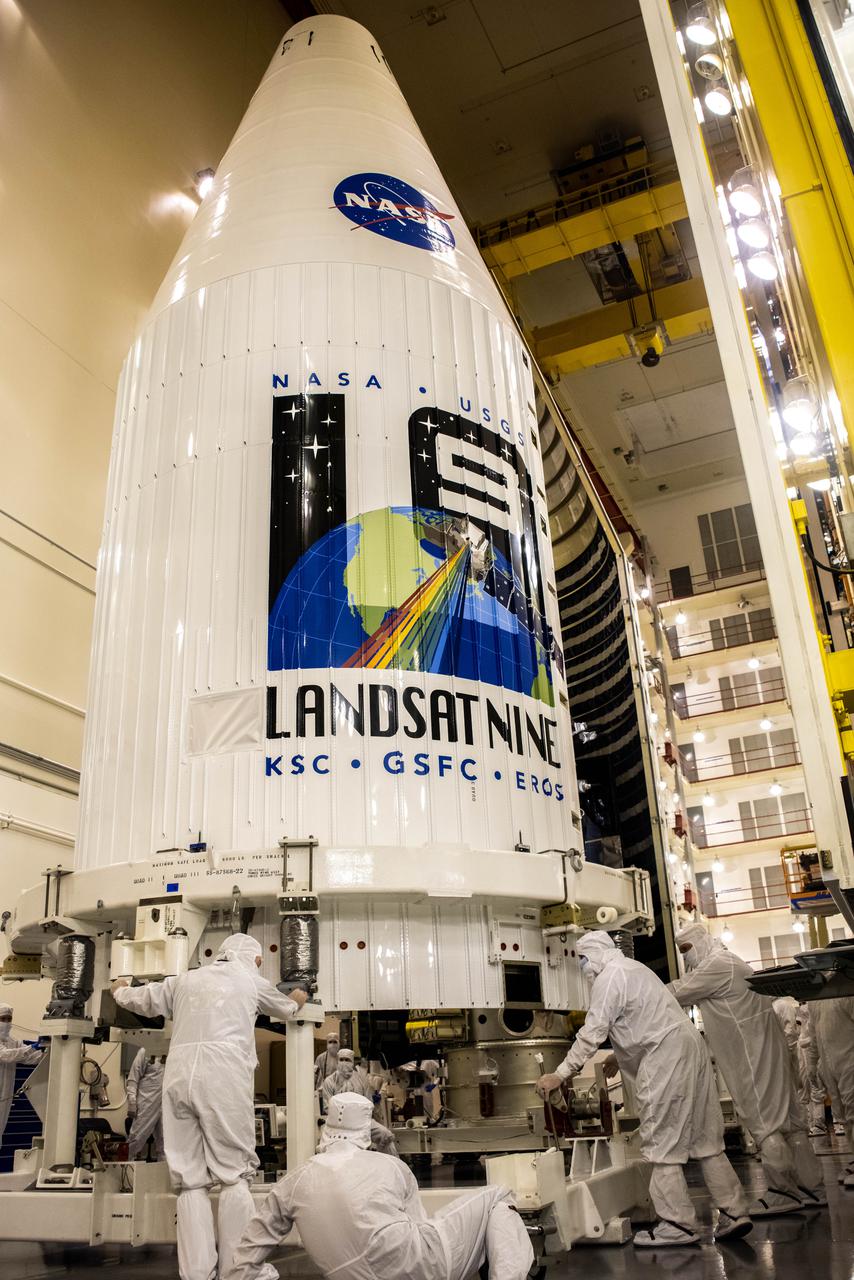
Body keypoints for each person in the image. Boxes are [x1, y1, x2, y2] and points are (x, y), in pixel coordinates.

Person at [535, 931, 752, 1248]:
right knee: (706, 1139)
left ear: (594, 953)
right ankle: (735, 1211)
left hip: (665, 1057)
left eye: (582, 959)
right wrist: (618, 1056)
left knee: (661, 1143)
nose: (582, 966)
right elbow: (645, 1019)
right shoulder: (635, 969)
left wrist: (560, 1074)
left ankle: (679, 1224)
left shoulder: (610, 976)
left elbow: (593, 1030)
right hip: (690, 1048)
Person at [112, 933, 307, 1280]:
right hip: (222, 1079)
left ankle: (197, 1272)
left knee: (189, 1181)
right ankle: (241, 1270)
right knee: (233, 1177)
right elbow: (288, 1009)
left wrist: (121, 987)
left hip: (178, 1078)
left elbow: (140, 999)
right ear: (255, 959)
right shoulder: (251, 980)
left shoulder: (184, 980)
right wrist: (300, 994)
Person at [231, 1092, 534, 1280]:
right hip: (426, 1267)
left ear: (327, 1128)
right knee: (498, 1196)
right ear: (367, 1128)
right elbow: (420, 1227)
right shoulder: (390, 1166)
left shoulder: (294, 1182)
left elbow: (251, 1243)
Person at [670, 923, 825, 1215]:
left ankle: (783, 1192)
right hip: (766, 1049)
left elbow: (677, 992)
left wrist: (640, 991)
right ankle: (811, 1187)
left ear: (701, 941)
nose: (686, 957)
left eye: (687, 949)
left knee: (765, 1124)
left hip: (751, 1055)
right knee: (791, 1124)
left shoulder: (718, 965)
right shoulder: (730, 960)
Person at [320, 1049, 398, 1154]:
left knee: (385, 1135)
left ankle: (389, 1166)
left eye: (347, 1060)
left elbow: (368, 1103)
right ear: (337, 1061)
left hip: (361, 1121)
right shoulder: (329, 1082)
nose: (344, 1062)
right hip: (339, 1125)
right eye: (341, 1060)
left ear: (352, 1062)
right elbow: (328, 1107)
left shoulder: (362, 1079)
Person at [812, 997, 854, 1188]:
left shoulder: (846, 989)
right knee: (842, 1114)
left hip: (850, 1059)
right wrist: (813, 1063)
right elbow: (813, 1034)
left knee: (853, 1109)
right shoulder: (816, 998)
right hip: (829, 1063)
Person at [0, 1003, 43, 1151]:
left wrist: (50, 1051)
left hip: (5, 1094)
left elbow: (29, 1057)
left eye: (9, 1019)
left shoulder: (13, 1042)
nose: (6, 1023)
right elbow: (5, 1055)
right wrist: (32, 1047)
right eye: (2, 1019)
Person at [126, 1046, 166, 1161]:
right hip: (147, 1102)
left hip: (166, 1102)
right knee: (137, 1137)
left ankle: (163, 1173)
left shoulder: (172, 1050)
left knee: (165, 1142)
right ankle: (126, 1169)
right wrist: (132, 1101)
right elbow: (133, 1078)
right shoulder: (144, 1051)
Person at [796, 1003, 828, 1136]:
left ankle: (820, 1124)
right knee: (804, 1090)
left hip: (813, 1050)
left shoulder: (814, 1007)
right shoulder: (799, 1012)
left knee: (817, 1087)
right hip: (803, 1052)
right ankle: (809, 1124)